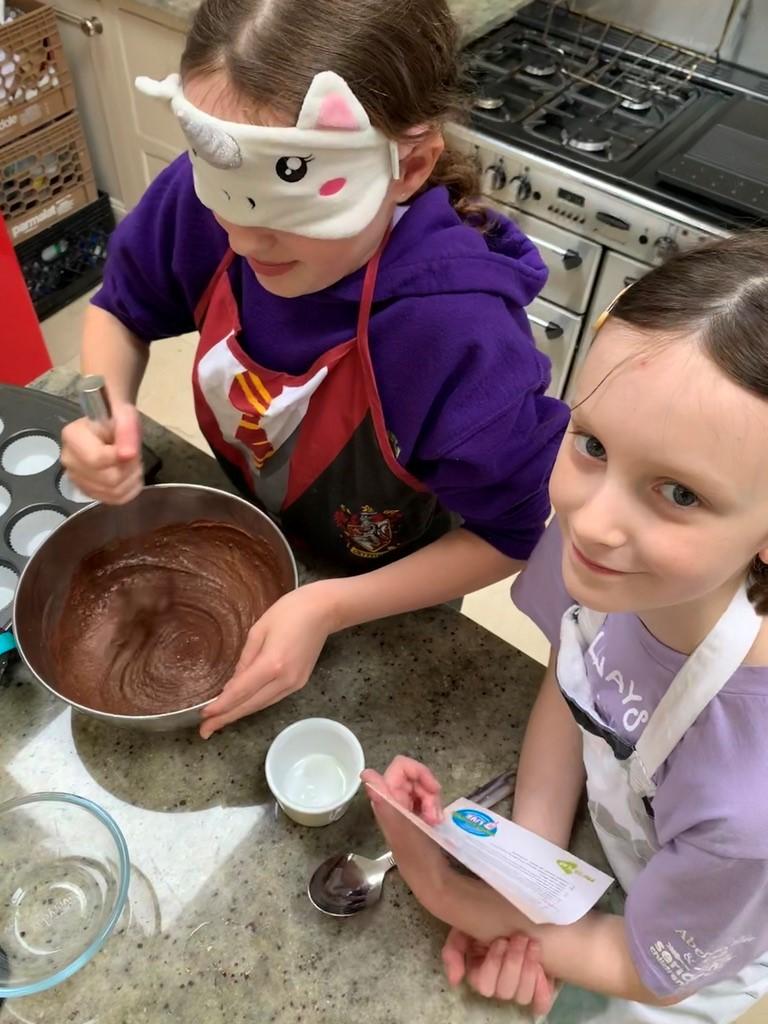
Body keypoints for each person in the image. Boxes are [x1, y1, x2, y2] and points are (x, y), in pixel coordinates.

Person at [59, 0, 568, 738]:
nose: (241, 235)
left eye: (287, 205)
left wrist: (329, 606)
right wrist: (108, 413)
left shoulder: (457, 334)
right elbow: (121, 309)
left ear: (409, 165)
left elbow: (510, 534)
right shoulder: (222, 191)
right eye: (223, 191)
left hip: (389, 595)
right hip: (256, 526)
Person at [364, 231, 768, 1023]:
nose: (594, 519)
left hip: (690, 942)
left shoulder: (747, 796)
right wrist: (524, 873)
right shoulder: (604, 551)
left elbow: (659, 970)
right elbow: (572, 676)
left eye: (679, 494)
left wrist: (457, 898)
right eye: (590, 443)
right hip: (605, 863)